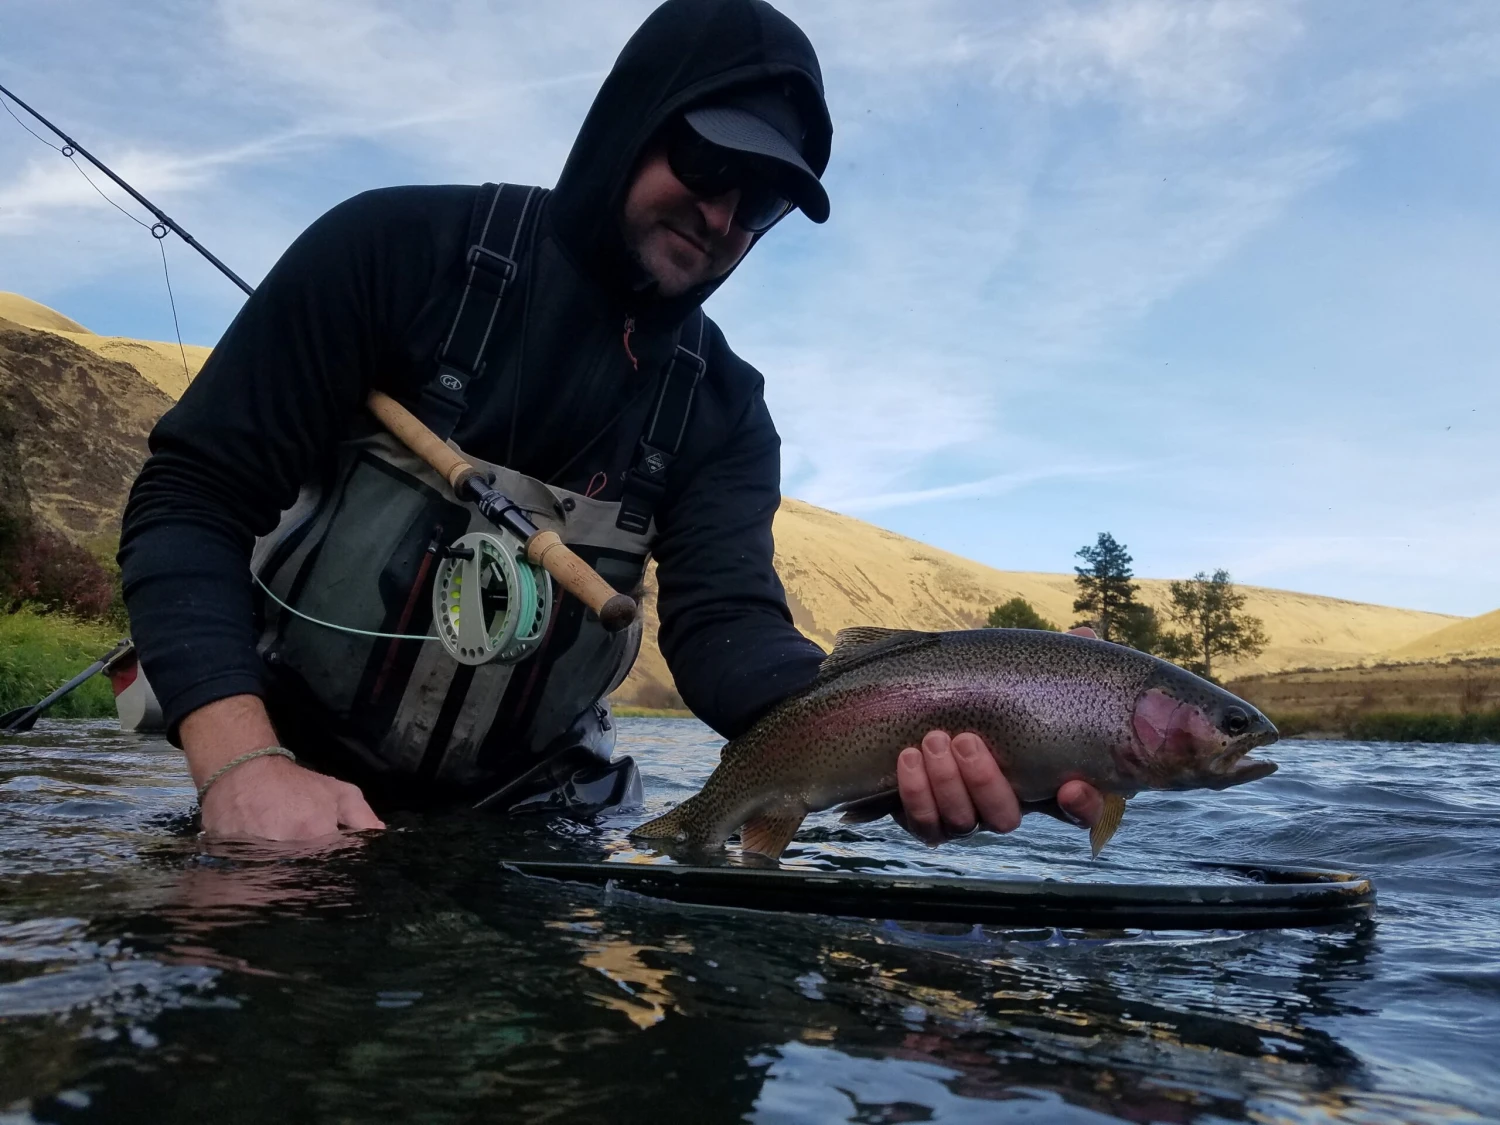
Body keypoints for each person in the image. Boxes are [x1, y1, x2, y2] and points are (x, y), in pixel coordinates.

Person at [119, 0, 1103, 845]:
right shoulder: (391, 252)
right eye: (710, 159)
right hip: (282, 758)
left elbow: (729, 635)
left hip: (534, 807)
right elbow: (194, 496)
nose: (723, 215)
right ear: (633, 121)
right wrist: (240, 762)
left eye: (759, 202)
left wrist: (934, 735)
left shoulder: (725, 408)